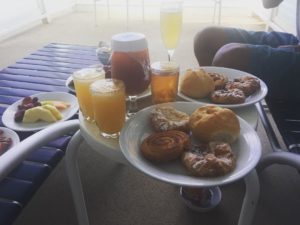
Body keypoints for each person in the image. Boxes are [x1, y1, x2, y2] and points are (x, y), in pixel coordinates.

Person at [193, 0, 300, 100]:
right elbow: (269, 2)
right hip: (296, 41)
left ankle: (221, 110)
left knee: (230, 57)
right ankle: (209, 101)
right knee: (206, 38)